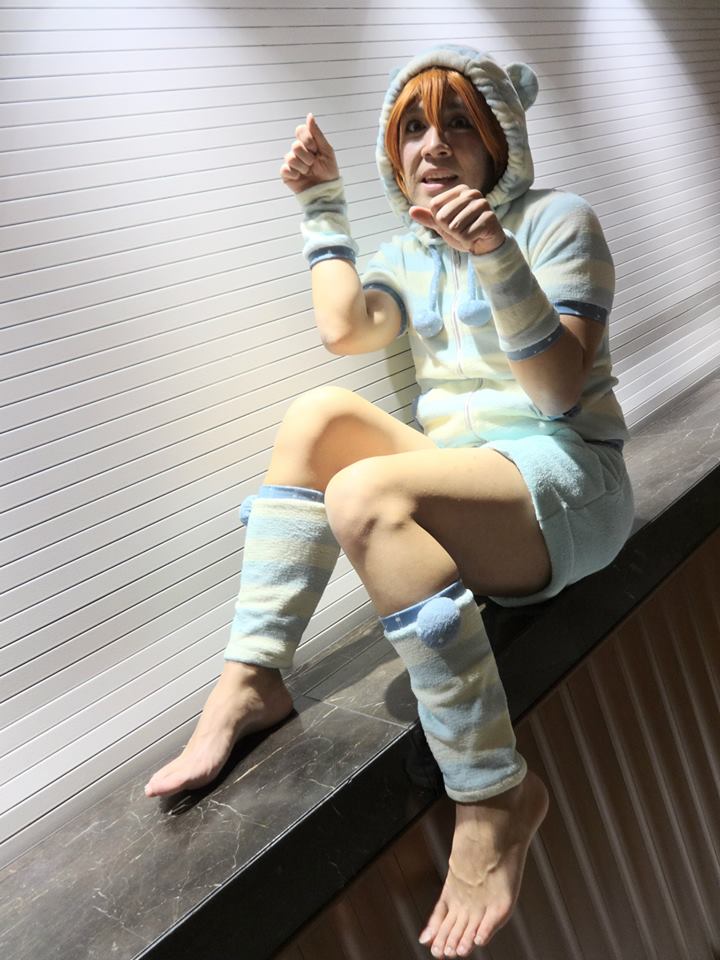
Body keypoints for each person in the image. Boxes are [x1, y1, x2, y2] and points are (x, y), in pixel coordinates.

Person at [145, 44, 635, 957]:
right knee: (317, 416)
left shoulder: (559, 219)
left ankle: (494, 792)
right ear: (393, 152)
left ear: (498, 141)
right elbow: (344, 329)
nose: (433, 144)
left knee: (365, 491)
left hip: (566, 486)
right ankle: (252, 678)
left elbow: (560, 391)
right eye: (412, 127)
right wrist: (320, 204)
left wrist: (494, 253)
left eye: (458, 124)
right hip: (472, 482)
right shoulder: (408, 253)